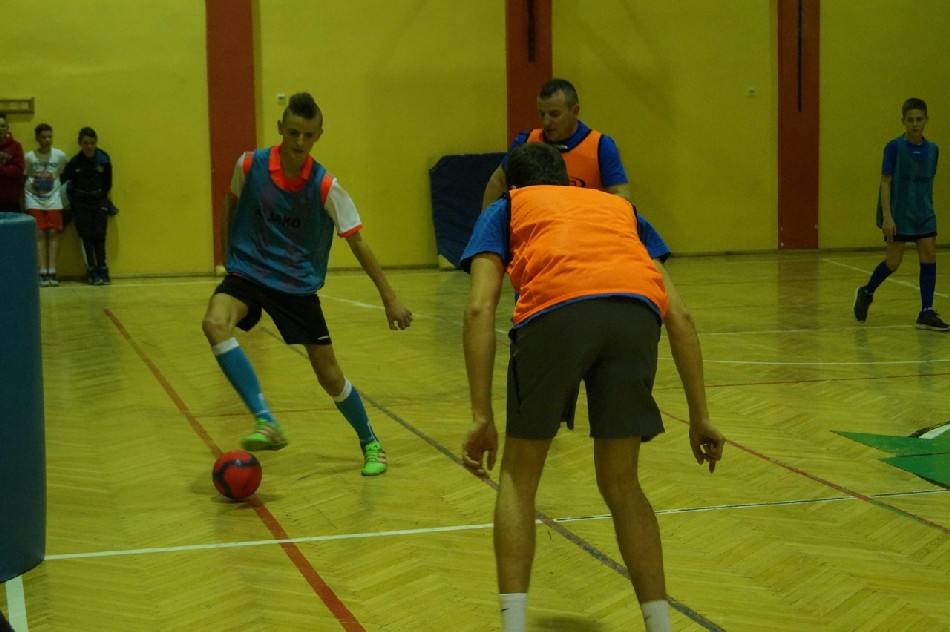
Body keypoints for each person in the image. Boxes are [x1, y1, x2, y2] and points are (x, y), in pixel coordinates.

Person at [461, 142, 724, 632]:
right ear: (567, 181)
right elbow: (681, 316)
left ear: (513, 186)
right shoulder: (618, 208)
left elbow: (479, 308)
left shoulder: (508, 206)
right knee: (622, 482)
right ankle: (660, 626)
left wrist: (481, 416)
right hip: (635, 314)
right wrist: (701, 415)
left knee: (519, 477)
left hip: (555, 311)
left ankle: (513, 628)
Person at [201, 92, 413, 476]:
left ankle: (370, 442)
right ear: (281, 128)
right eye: (293, 132)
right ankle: (266, 420)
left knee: (329, 376)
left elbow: (357, 242)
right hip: (249, 271)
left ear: (318, 136)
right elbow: (229, 204)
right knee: (215, 323)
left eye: (308, 135)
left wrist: (390, 298)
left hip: (296, 283)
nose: (299, 142)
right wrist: (228, 257)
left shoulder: (325, 185)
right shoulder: (249, 165)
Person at [853, 98, 946, 331]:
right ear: (903, 121)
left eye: (919, 119)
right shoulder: (894, 147)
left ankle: (926, 311)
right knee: (893, 262)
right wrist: (887, 216)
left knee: (929, 255)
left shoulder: (933, 150)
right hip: (900, 213)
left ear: (926, 120)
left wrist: (926, 206)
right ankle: (866, 292)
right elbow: (885, 182)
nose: (915, 124)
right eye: (910, 120)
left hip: (924, 212)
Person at [481, 78, 631, 209]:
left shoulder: (601, 146)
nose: (546, 122)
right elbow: (497, 182)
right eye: (542, 114)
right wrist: (484, 226)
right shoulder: (525, 142)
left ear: (575, 111)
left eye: (554, 114)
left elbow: (621, 195)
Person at [62, 126, 115, 285]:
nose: (89, 146)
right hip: (81, 203)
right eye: (86, 143)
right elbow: (64, 180)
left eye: (92, 143)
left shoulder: (104, 159)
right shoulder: (75, 162)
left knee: (99, 235)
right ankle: (91, 270)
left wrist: (101, 197)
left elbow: (108, 183)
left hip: (99, 201)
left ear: (96, 142)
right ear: (80, 143)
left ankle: (103, 268)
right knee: (86, 236)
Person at [24, 123, 67, 287]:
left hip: (53, 199)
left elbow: (61, 174)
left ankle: (52, 270)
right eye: (43, 137)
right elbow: (25, 175)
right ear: (37, 138)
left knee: (53, 233)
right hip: (34, 199)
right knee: (39, 234)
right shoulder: (29, 157)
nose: (47, 140)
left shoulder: (60, 156)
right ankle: (42, 271)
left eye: (50, 136)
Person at [0, 113, 25, 213]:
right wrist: (8, 169)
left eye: (2, 126)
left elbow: (18, 170)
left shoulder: (16, 146)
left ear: (7, 128)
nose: (0, 129)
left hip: (10, 201)